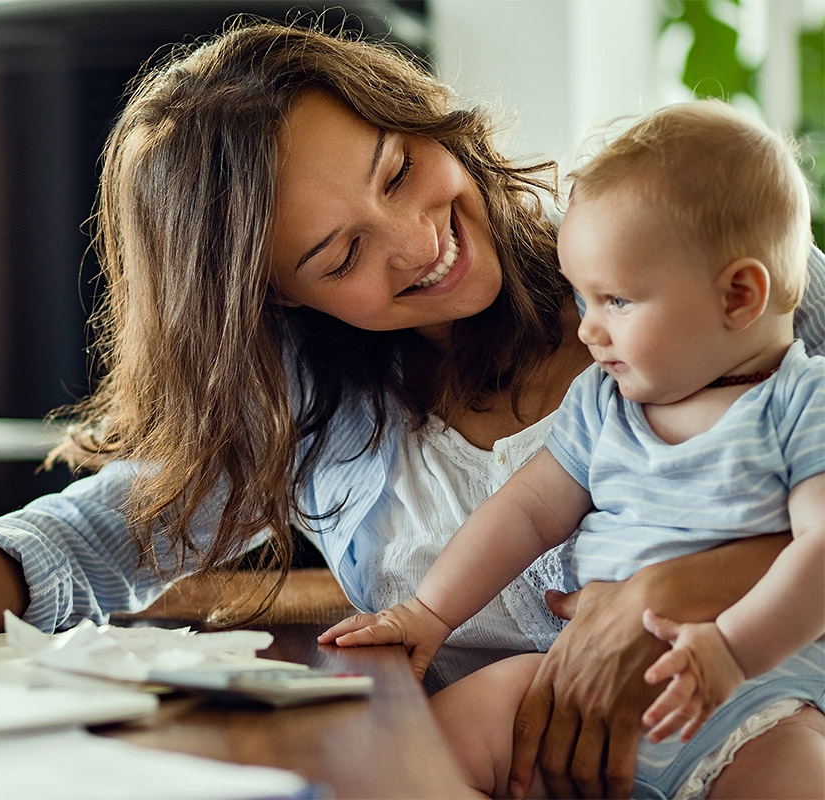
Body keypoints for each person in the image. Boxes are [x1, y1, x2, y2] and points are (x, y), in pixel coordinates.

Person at [0, 19, 825, 797]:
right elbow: (115, 524)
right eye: (340, 254)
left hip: (763, 725)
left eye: (398, 169)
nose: (416, 242)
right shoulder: (316, 408)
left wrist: (687, 584)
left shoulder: (674, 260)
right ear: (277, 297)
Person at [320, 100, 824, 798]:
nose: (587, 330)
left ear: (739, 296)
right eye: (581, 300)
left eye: (614, 300)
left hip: (757, 699)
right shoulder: (603, 403)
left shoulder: (802, 404)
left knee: (798, 771)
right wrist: (426, 613)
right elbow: (525, 512)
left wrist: (731, 652)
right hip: (569, 681)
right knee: (431, 743)